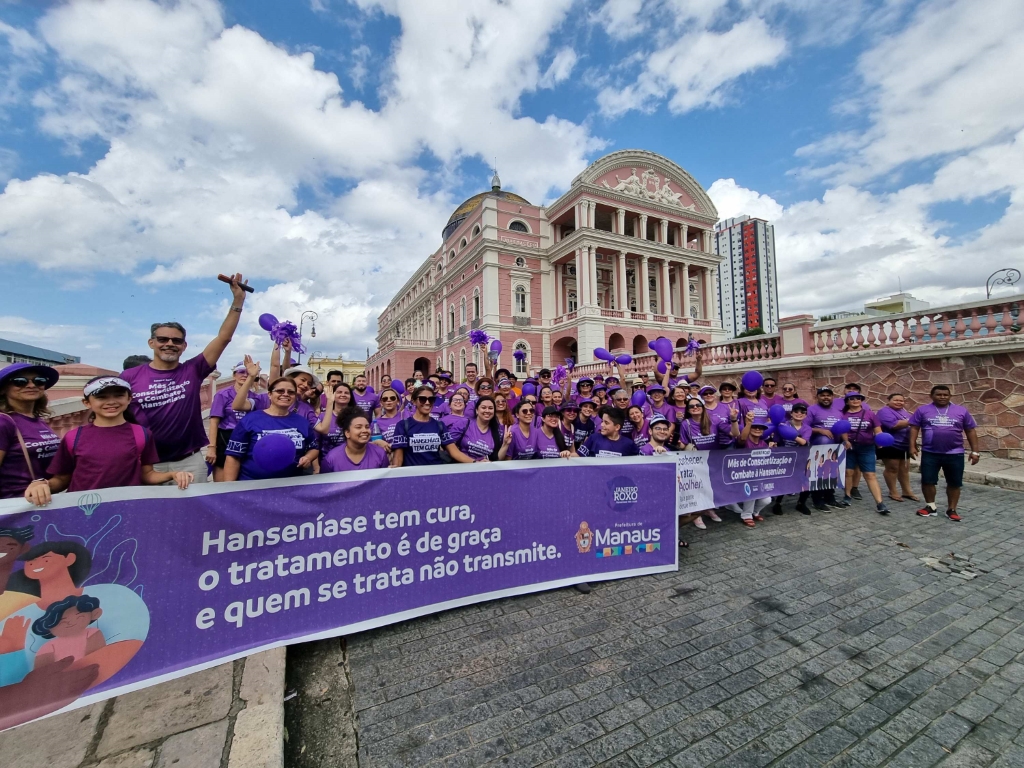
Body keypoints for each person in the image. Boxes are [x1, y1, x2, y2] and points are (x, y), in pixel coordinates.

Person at [120, 273, 249, 483]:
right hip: (146, 462)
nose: (169, 343)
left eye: (176, 340)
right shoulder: (129, 377)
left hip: (188, 461)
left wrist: (237, 301)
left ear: (184, 346)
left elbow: (224, 338)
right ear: (151, 343)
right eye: (162, 339)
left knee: (193, 515)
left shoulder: (192, 370)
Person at [24, 377, 194, 505]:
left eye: (119, 395)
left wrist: (172, 474)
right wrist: (41, 484)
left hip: (127, 507)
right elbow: (62, 479)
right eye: (101, 397)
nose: (111, 402)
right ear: (87, 403)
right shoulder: (73, 437)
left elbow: (147, 474)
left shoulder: (142, 434)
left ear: (129, 399)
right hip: (81, 509)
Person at [222, 377, 318, 481]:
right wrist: (229, 489)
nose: (285, 394)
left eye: (291, 392)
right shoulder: (250, 420)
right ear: (269, 394)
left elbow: (313, 448)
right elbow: (233, 457)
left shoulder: (302, 422)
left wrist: (308, 457)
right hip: (252, 486)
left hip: (291, 486)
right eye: (280, 391)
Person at [909, 385, 979, 522]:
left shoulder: (961, 411)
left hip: (955, 453)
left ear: (950, 396)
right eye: (939, 395)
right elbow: (914, 428)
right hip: (930, 452)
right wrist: (912, 445)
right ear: (931, 396)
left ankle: (951, 509)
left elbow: (970, 430)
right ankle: (930, 506)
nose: (942, 397)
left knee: (954, 483)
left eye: (945, 395)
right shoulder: (923, 410)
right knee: (927, 480)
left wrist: (975, 451)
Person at [0, 364, 61, 499]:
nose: (31, 385)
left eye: (39, 381)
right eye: (20, 382)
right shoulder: (3, 421)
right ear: (3, 389)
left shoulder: (37, 420)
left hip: (40, 502)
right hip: (13, 505)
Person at [840, 392, 890, 515]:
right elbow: (842, 429)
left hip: (867, 447)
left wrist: (880, 441)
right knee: (848, 472)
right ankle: (847, 496)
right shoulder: (843, 415)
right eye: (852, 399)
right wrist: (845, 440)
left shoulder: (870, 414)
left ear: (861, 400)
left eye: (858, 398)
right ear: (847, 401)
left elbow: (877, 430)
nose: (855, 400)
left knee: (870, 474)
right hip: (850, 447)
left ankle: (880, 503)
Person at [390, 387, 460, 466]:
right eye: (422, 399)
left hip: (436, 474)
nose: (427, 402)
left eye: (431, 399)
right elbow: (398, 457)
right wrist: (394, 470)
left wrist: (475, 463)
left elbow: (454, 452)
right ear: (414, 401)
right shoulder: (403, 425)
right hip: (413, 475)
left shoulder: (439, 425)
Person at [206, 362, 252, 481]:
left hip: (246, 439)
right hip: (226, 438)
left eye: (248, 372)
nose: (244, 375)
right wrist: (212, 447)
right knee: (222, 482)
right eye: (241, 372)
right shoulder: (223, 394)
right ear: (234, 375)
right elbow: (214, 421)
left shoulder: (254, 396)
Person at [726, 416, 774, 527]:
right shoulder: (743, 442)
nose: (757, 429)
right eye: (754, 427)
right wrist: (748, 423)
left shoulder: (763, 444)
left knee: (767, 500)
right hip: (742, 477)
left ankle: (755, 512)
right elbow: (742, 438)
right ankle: (746, 515)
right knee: (751, 491)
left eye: (760, 428)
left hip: (758, 477)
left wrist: (770, 451)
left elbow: (767, 461)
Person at [807, 386, 848, 511]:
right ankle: (817, 500)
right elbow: (804, 428)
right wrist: (820, 430)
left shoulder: (837, 411)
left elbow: (842, 427)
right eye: (822, 395)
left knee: (832, 472)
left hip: (835, 447)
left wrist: (846, 440)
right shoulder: (811, 410)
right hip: (818, 448)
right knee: (819, 473)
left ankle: (830, 498)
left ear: (832, 397)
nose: (826, 397)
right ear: (817, 397)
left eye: (828, 395)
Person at [877, 393, 918, 502]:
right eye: (896, 400)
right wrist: (914, 420)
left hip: (904, 445)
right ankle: (893, 491)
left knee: (904, 469)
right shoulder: (884, 411)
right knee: (892, 468)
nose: (899, 402)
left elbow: (912, 428)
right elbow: (894, 425)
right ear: (889, 401)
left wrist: (913, 444)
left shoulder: (905, 412)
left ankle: (907, 491)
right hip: (890, 444)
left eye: (901, 400)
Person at [321, 411, 390, 472]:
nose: (364, 430)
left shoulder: (380, 454)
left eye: (367, 427)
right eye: (358, 427)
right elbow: (324, 485)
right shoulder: (331, 459)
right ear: (347, 433)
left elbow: (385, 483)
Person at [454, 395, 503, 462]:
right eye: (483, 407)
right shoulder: (464, 423)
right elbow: (450, 447)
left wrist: (506, 443)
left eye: (491, 408)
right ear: (477, 410)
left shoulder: (497, 432)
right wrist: (475, 462)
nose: (487, 411)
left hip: (483, 469)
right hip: (461, 466)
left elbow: (496, 458)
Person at [314, 382, 360, 453]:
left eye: (346, 393)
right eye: (339, 392)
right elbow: (315, 442)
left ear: (351, 396)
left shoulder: (357, 416)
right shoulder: (323, 416)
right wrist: (316, 464)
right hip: (326, 460)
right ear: (333, 395)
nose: (343, 395)